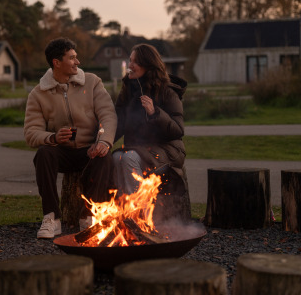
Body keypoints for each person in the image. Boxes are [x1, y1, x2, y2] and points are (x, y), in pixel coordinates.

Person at [24, 37, 117, 239]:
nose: (78, 62)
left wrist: (103, 141)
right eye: (72, 58)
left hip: (89, 150)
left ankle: (89, 216)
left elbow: (108, 115)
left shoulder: (92, 83)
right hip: (61, 151)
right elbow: (31, 132)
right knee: (43, 154)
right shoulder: (38, 94)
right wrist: (53, 137)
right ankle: (51, 218)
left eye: (76, 57)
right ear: (57, 63)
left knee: (105, 157)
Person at [113, 43, 188, 196]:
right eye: (130, 60)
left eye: (136, 62)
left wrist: (155, 113)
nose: (130, 65)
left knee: (128, 158)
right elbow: (118, 123)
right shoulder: (127, 90)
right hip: (137, 148)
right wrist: (101, 142)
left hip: (167, 150)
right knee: (116, 157)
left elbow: (178, 130)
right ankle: (124, 210)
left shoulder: (167, 91)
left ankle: (140, 212)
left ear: (148, 65)